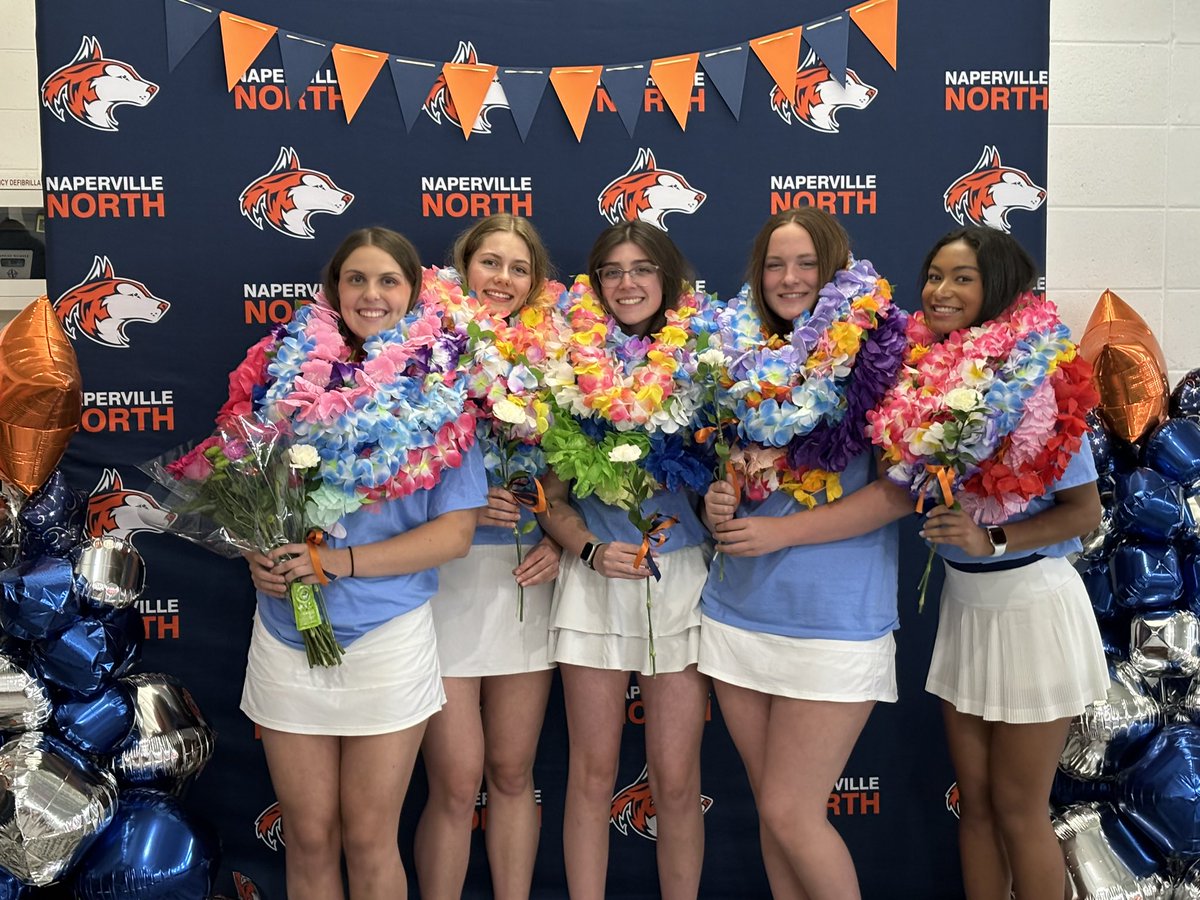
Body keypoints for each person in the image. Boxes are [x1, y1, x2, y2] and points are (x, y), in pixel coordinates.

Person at [238, 227, 488, 900]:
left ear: (412, 293)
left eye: (387, 281)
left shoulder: (442, 389)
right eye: (356, 279)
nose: (370, 295)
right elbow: (246, 489)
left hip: (386, 635)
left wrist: (339, 564)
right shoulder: (282, 376)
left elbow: (455, 534)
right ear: (334, 290)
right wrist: (257, 551)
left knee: (370, 836)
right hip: (289, 631)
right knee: (311, 834)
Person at [700, 207, 910, 900]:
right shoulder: (737, 352)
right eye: (774, 265)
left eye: (806, 264)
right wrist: (721, 498)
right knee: (774, 812)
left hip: (833, 618)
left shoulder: (881, 356)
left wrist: (781, 533)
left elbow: (898, 496)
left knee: (792, 811)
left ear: (836, 270)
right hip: (737, 607)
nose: (788, 279)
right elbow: (743, 469)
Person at [908, 226, 1107, 899]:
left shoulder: (1037, 379)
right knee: (979, 804)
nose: (941, 291)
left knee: (1021, 809)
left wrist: (991, 540)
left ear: (996, 287)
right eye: (935, 275)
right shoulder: (924, 375)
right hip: (968, 605)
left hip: (1030, 604)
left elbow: (1085, 513)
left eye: (962, 277)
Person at [539, 221, 711, 900]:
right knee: (590, 770)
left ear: (667, 279)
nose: (628, 283)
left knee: (676, 777)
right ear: (595, 284)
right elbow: (545, 498)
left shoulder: (705, 360)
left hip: (683, 579)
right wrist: (588, 549)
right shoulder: (568, 363)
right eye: (612, 271)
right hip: (592, 583)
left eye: (642, 269)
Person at [414, 215, 563, 900]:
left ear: (535, 283)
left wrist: (556, 530)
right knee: (454, 779)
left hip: (521, 578)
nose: (502, 279)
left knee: (511, 770)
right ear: (462, 269)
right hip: (442, 579)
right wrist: (466, 510)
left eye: (518, 268)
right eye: (490, 263)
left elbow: (572, 469)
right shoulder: (422, 347)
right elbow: (392, 471)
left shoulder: (562, 359)